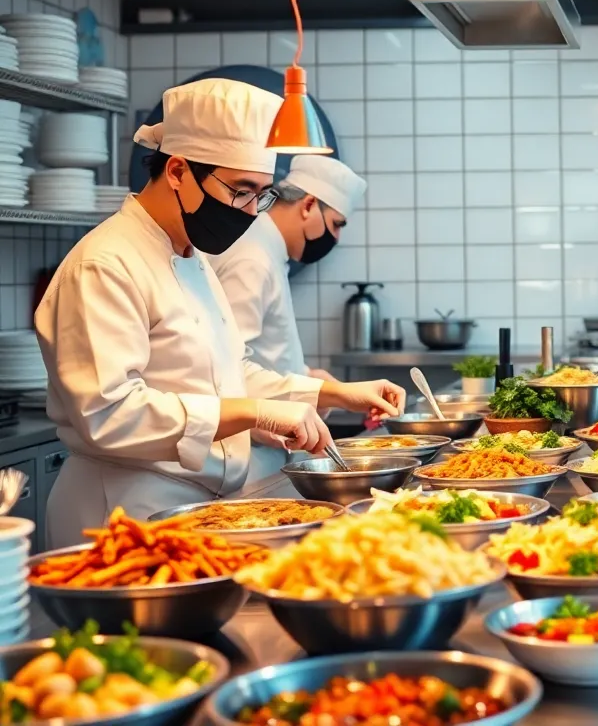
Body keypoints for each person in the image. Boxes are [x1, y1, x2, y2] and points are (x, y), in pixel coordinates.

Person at [35, 78, 405, 547]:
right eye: (242, 191)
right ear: (177, 171)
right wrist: (254, 414)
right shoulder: (105, 264)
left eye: (263, 195)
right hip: (123, 514)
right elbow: (110, 412)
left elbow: (228, 374)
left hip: (190, 511)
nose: (252, 212)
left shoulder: (193, 258)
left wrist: (326, 394)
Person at [210, 154, 366, 381]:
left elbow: (266, 354)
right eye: (336, 224)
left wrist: (308, 376)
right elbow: (232, 368)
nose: (336, 237)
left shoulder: (268, 250)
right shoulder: (253, 259)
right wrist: (314, 393)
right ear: (309, 205)